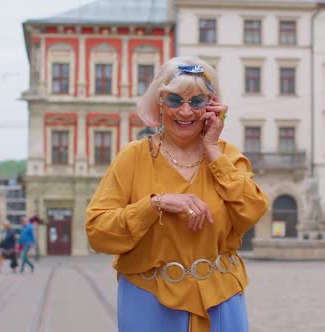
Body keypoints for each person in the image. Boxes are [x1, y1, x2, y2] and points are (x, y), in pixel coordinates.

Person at [86, 56, 269, 332]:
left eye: (197, 101)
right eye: (174, 100)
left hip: (220, 298)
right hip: (149, 300)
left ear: (212, 107)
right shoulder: (133, 157)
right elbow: (98, 231)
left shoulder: (226, 155)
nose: (186, 111)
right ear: (159, 104)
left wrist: (212, 149)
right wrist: (156, 204)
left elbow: (253, 210)